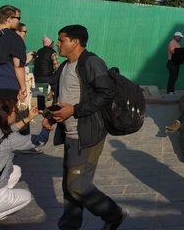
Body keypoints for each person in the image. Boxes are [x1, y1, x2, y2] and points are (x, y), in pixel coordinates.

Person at [43, 24, 129, 230]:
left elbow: (106, 93)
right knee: (69, 187)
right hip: (70, 134)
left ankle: (115, 214)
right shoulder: (64, 67)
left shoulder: (92, 62)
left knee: (78, 187)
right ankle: (69, 227)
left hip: (88, 135)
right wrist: (51, 116)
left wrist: (74, 110)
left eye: (61, 40)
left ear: (75, 42)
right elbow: (63, 97)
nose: (57, 44)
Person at [0, 97, 49, 220]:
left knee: (15, 170)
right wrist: (47, 125)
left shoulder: (4, 132)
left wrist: (28, 119)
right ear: (6, 117)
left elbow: (8, 131)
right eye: (14, 112)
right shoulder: (10, 139)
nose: (16, 114)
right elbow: (39, 141)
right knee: (26, 196)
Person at [0, 5, 27, 103]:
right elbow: (18, 66)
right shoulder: (14, 38)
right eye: (18, 18)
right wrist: (23, 87)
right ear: (9, 19)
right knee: (7, 117)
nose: (19, 21)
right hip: (7, 85)